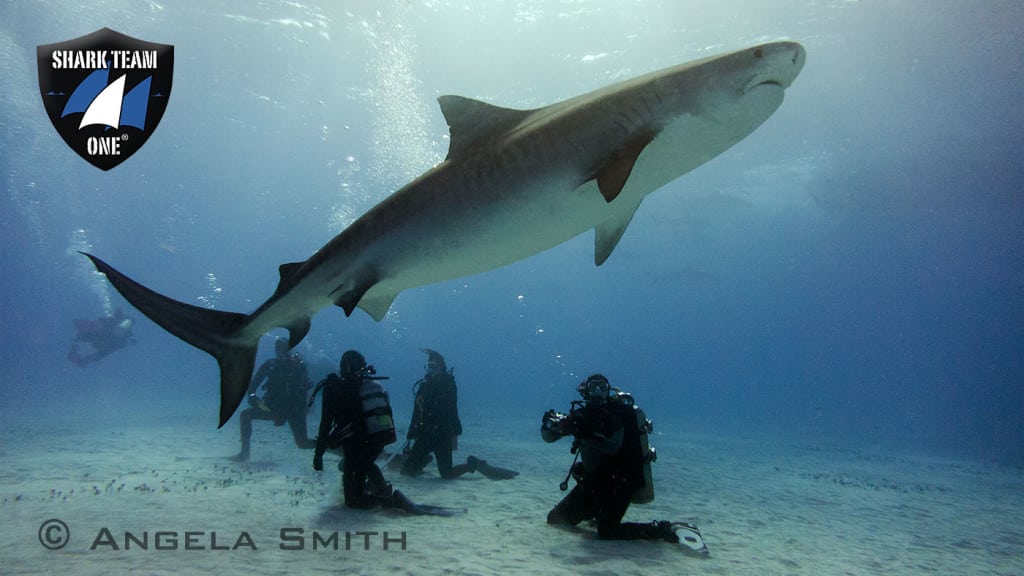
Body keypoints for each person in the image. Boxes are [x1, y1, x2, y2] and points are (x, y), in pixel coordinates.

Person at [541, 374, 708, 554]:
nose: (598, 391)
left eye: (602, 387)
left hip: (622, 479)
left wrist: (586, 431)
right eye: (594, 387)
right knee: (556, 519)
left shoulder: (618, 414)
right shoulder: (581, 415)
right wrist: (553, 427)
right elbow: (549, 438)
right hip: (596, 481)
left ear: (608, 390)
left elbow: (613, 447)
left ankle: (664, 529)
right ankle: (595, 512)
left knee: (607, 531)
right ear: (586, 391)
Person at [398, 349, 518, 480]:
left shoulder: (447, 384)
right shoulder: (424, 386)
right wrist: (412, 431)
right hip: (425, 434)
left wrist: (455, 429)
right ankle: (424, 460)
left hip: (442, 435)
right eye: (428, 366)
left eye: (434, 367)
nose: (431, 370)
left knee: (446, 474)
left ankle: (473, 464)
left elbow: (451, 409)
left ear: (441, 369)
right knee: (407, 471)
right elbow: (417, 410)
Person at [313, 350, 398, 509]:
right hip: (378, 439)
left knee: (352, 500)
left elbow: (325, 424)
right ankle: (382, 489)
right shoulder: (373, 385)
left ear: (344, 367)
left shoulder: (334, 388)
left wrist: (318, 455)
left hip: (357, 444)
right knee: (365, 463)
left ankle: (390, 501)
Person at [232, 337, 315, 461]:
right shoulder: (270, 365)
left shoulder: (298, 367)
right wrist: (254, 399)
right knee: (245, 415)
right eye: (278, 348)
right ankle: (244, 454)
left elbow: (301, 396)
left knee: (302, 443)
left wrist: (285, 414)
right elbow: (252, 386)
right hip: (272, 408)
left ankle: (332, 446)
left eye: (284, 348)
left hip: (294, 411)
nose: (280, 351)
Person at [68, 308, 136, 366]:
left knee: (118, 333)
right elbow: (74, 343)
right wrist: (73, 352)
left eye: (85, 323)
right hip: (110, 344)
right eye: (81, 326)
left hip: (115, 340)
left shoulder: (105, 323)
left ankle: (128, 337)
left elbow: (102, 353)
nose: (86, 325)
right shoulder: (83, 336)